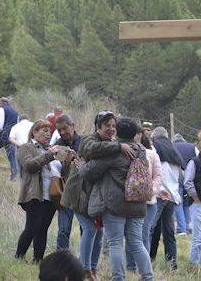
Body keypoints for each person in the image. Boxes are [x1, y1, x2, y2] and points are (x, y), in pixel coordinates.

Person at [79, 117, 153, 281]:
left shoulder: (114, 151)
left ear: (117, 131)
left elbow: (90, 172)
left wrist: (81, 165)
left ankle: (118, 278)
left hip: (115, 205)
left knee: (115, 243)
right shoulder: (141, 150)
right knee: (136, 243)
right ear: (135, 134)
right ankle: (148, 277)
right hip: (138, 204)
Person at [62, 110, 126, 280]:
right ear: (98, 127)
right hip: (79, 194)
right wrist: (119, 146)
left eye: (114, 126)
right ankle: (83, 269)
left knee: (98, 232)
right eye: (107, 126)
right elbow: (92, 149)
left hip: (94, 198)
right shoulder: (89, 140)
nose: (111, 129)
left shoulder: (110, 142)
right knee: (90, 229)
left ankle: (93, 269)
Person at [15, 120, 61, 263]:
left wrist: (67, 160)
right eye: (44, 131)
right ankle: (19, 256)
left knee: (43, 229)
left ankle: (38, 260)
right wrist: (49, 154)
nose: (48, 134)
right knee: (32, 227)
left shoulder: (51, 149)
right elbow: (30, 166)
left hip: (52, 196)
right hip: (35, 194)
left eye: (49, 131)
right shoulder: (25, 147)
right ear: (34, 132)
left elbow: (58, 171)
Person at [126, 129, 162, 273]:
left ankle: (143, 269)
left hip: (149, 203)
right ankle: (130, 266)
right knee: (130, 234)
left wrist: (149, 192)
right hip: (130, 201)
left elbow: (158, 176)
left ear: (140, 135)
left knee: (144, 234)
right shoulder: (125, 151)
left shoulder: (152, 154)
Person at [149, 126, 183, 270]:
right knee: (168, 231)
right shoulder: (175, 150)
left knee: (150, 229)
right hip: (172, 195)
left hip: (158, 193)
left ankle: (148, 260)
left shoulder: (154, 147)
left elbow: (152, 170)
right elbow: (181, 175)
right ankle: (172, 264)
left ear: (154, 137)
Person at [52, 114, 81, 251]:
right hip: (65, 191)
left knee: (86, 229)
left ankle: (85, 260)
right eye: (59, 130)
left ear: (72, 125)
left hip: (82, 192)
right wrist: (65, 163)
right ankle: (61, 258)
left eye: (65, 128)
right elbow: (56, 172)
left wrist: (77, 158)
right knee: (63, 230)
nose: (62, 132)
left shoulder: (84, 142)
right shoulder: (57, 145)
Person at [185, 141, 201, 266]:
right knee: (198, 236)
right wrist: (196, 198)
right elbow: (188, 182)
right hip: (198, 204)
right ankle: (194, 264)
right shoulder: (194, 162)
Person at [0, 97, 19, 180]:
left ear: (2, 102)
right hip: (12, 136)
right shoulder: (15, 112)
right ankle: (14, 174)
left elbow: (0, 123)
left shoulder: (2, 109)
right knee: (11, 154)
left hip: (4, 134)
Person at [172, 133, 197, 236]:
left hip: (177, 176)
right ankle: (187, 226)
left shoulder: (171, 146)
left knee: (178, 202)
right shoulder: (192, 147)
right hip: (190, 177)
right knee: (187, 203)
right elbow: (197, 161)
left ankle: (181, 228)